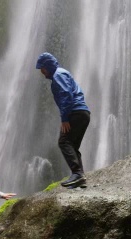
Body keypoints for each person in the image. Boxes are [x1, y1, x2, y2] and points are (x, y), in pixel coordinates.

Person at [36, 52, 91, 188]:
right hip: (83, 113)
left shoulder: (58, 74)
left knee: (64, 141)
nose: (41, 72)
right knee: (72, 146)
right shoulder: (61, 73)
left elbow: (66, 95)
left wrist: (65, 118)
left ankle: (77, 174)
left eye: (42, 68)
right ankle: (81, 178)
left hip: (75, 113)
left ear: (47, 66)